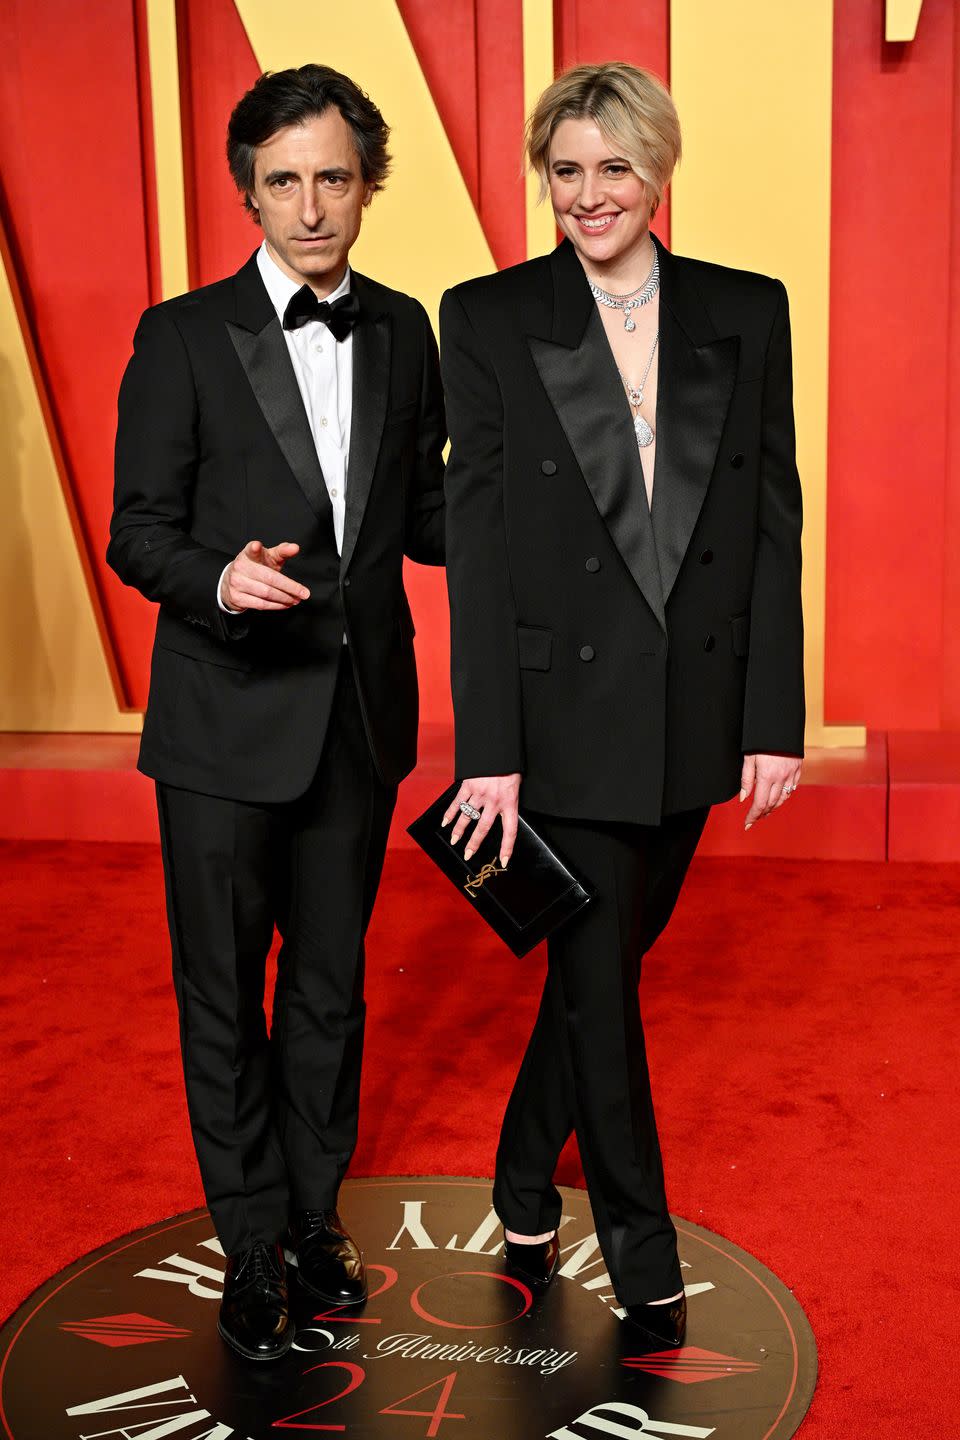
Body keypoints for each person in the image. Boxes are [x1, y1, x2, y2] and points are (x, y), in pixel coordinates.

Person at [440, 62, 803, 1348]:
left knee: (599, 971)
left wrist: (773, 718)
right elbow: (475, 548)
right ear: (545, 179)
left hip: (695, 713)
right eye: (566, 170)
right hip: (562, 724)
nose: (589, 195)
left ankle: (525, 1173)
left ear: (659, 173)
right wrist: (491, 751)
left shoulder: (747, 312)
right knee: (606, 988)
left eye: (614, 168)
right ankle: (642, 1256)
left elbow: (770, 530)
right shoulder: (485, 318)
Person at [108, 64, 444, 1361]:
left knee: (328, 992)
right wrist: (214, 578)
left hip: (358, 718)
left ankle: (314, 1218)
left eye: (334, 178)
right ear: (248, 189)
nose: (311, 206)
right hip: (223, 717)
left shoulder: (406, 329)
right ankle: (247, 1244)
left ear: (367, 186)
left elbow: (418, 519)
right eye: (285, 180)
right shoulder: (182, 336)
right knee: (222, 997)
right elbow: (137, 529)